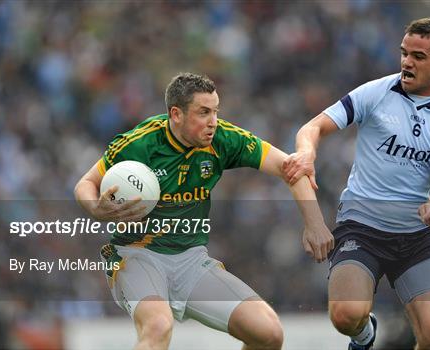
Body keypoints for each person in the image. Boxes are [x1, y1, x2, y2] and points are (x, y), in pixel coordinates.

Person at [74, 72, 331, 350]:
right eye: (204, 112)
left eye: (216, 111)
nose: (213, 122)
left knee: (268, 333)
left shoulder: (224, 139)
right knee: (158, 326)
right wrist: (96, 209)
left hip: (190, 261)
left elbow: (290, 168)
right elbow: (86, 183)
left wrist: (315, 223)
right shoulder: (140, 143)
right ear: (176, 114)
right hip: (136, 256)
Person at [283, 18, 430, 350]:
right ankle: (364, 335)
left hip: (417, 236)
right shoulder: (377, 92)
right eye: (404, 53)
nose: (406, 62)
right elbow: (312, 128)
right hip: (363, 227)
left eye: (418, 56)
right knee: (345, 316)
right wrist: (307, 153)